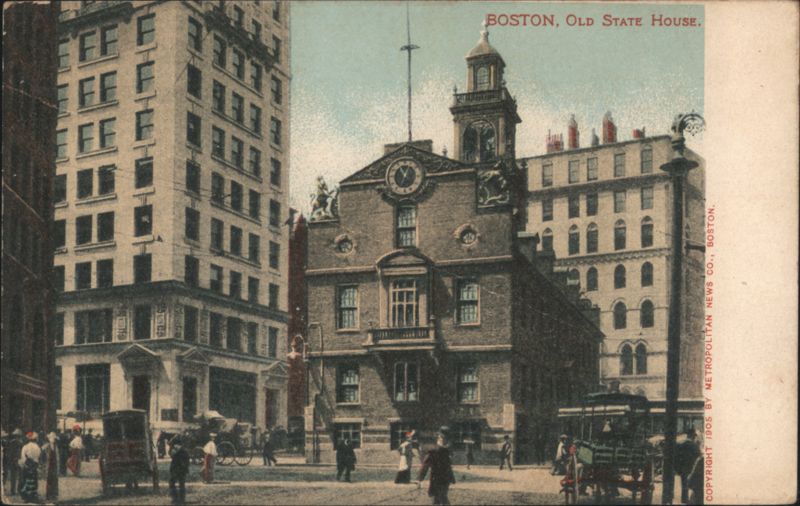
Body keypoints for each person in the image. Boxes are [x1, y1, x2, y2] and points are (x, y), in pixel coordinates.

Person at [418, 427, 456, 506]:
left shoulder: (434, 451)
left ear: (441, 438)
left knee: (437, 498)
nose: (438, 438)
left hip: (436, 479)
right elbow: (449, 466)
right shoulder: (448, 450)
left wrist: (420, 478)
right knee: (443, 497)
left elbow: (425, 465)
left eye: (439, 436)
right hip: (446, 479)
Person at [675, 428, 702, 504]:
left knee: (684, 486)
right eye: (694, 436)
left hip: (683, 469)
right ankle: (692, 500)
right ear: (693, 436)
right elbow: (699, 456)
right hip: (693, 469)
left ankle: (684, 500)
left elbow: (676, 458)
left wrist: (678, 469)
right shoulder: (694, 446)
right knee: (695, 486)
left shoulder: (681, 445)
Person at [19, 432, 41, 502]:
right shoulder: (37, 446)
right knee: (34, 479)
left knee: (27, 479)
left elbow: (23, 457)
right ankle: (33, 494)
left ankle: (27, 496)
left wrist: (24, 464)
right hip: (34, 464)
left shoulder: (25, 447)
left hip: (27, 464)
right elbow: (38, 456)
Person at [169, 435, 190, 504]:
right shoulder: (184, 451)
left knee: (174, 484)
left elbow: (172, 455)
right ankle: (180, 499)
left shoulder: (178, 451)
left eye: (176, 445)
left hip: (178, 469)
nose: (175, 446)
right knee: (181, 484)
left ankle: (176, 499)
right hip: (180, 469)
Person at [41, 431, 60, 501]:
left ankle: (54, 494)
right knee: (49, 480)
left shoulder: (56, 446)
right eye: (52, 438)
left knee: (54, 479)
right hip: (49, 465)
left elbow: (57, 457)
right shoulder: (46, 446)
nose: (53, 440)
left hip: (54, 465)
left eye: (54, 439)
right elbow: (42, 452)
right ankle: (48, 494)